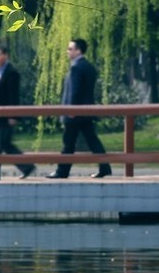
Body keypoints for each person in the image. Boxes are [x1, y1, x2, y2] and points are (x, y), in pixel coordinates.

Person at [46, 38, 112, 179]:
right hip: (86, 111)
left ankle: (62, 171)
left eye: (70, 49)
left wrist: (71, 110)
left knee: (68, 143)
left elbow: (74, 91)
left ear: (78, 50)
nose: (67, 51)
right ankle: (105, 167)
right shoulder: (89, 66)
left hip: (74, 113)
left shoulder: (76, 67)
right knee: (92, 140)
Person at [0, 44, 35, 181]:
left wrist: (13, 114)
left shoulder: (11, 72)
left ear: (6, 55)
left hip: (6, 114)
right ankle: (27, 166)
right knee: (4, 144)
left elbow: (13, 96)